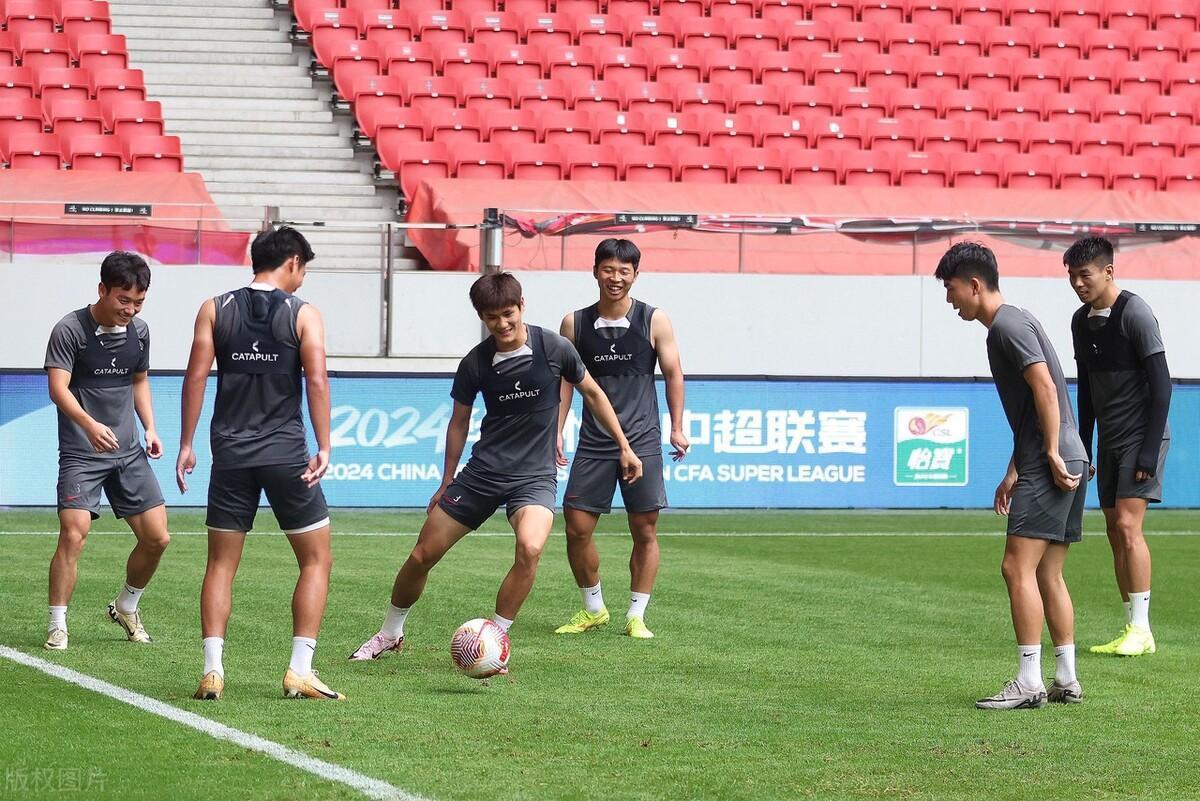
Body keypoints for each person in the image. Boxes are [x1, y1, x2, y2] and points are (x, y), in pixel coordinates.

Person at [350, 272, 643, 666]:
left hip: (534, 477)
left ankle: (495, 641)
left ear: (522, 305)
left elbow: (592, 393)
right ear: (481, 317)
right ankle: (389, 632)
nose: (502, 324)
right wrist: (447, 480)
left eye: (508, 314)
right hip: (482, 474)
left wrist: (625, 446)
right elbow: (458, 422)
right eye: (492, 318)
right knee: (422, 555)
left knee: (531, 548)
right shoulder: (475, 363)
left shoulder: (555, 348)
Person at [176, 226, 340, 701]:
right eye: (304, 269)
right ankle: (300, 670)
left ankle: (212, 671)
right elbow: (317, 380)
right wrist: (324, 445)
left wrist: (187, 443)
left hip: (230, 455)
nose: (303, 278)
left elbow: (195, 376)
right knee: (316, 559)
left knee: (220, 565)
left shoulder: (214, 308)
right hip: (286, 455)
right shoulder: (304, 314)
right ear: (292, 262)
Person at [936, 242, 1087, 710]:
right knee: (1048, 572)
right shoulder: (1018, 319)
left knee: (1015, 568)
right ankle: (1066, 678)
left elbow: (1044, 386)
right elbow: (1032, 410)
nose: (949, 299)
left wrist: (1047, 453)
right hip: (1069, 455)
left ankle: (1028, 681)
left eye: (950, 288)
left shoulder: (1005, 326)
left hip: (1053, 458)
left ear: (974, 285)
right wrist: (1014, 469)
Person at [553, 239, 688, 640]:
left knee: (644, 530)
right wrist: (556, 429)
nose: (616, 278)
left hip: (643, 440)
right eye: (608, 269)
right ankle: (593, 608)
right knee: (576, 527)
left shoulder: (654, 319)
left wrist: (676, 427)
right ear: (595, 271)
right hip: (593, 443)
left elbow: (674, 373)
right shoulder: (574, 324)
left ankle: (636, 615)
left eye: (624, 271)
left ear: (635, 275)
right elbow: (565, 382)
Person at [43, 251, 170, 651]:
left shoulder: (140, 332)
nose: (130, 310)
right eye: (123, 300)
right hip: (82, 453)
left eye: (138, 302)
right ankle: (58, 624)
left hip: (128, 453)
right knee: (74, 534)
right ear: (102, 290)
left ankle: (126, 606)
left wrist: (150, 427)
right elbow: (58, 388)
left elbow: (139, 381)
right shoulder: (69, 330)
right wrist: (90, 426)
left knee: (158, 538)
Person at [1065, 236, 1170, 658]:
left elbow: (1162, 387)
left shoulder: (1136, 313)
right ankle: (1131, 625)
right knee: (1112, 530)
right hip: (1109, 440)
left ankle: (1143, 630)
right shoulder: (1079, 322)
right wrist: (1084, 446)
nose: (1077, 283)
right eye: (1072, 276)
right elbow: (1087, 391)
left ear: (1108, 271)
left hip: (1141, 437)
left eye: (1084, 275)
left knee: (1128, 526)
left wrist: (1148, 451)